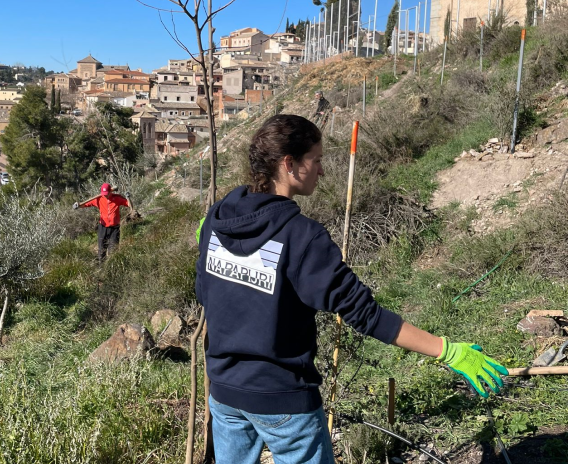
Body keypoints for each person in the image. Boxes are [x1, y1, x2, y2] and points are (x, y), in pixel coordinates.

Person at [194, 115, 507, 464]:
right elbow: (366, 315)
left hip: (224, 396)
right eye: (317, 160)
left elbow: (205, 293)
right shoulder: (302, 237)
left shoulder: (215, 221)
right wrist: (447, 351)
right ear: (289, 164)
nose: (322, 171)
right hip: (283, 400)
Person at [73, 183, 132, 263]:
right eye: (103, 194)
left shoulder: (117, 198)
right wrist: (78, 205)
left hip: (114, 229)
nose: (105, 196)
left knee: (113, 252)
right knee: (101, 251)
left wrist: (128, 198)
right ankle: (101, 268)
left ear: (110, 191)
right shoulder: (98, 199)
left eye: (106, 194)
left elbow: (130, 205)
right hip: (103, 228)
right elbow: (86, 204)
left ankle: (112, 270)